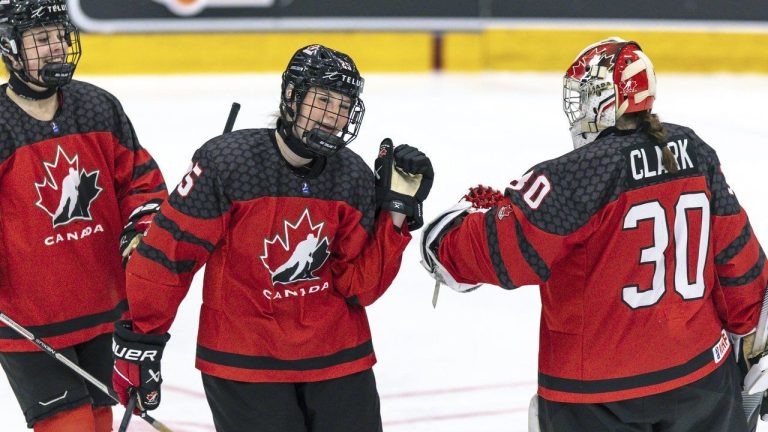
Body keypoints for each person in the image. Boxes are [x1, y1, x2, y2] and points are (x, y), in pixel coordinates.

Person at [420, 37, 768, 431]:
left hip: (596, 397)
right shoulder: (695, 151)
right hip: (702, 380)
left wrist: (445, 242)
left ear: (604, 99)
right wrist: (754, 342)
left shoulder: (578, 172)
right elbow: (737, 259)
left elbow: (509, 254)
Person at [111, 44, 433, 432]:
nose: (334, 116)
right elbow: (170, 253)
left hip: (338, 359)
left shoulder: (352, 175)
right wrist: (141, 338)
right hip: (244, 362)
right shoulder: (231, 164)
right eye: (324, 99)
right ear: (292, 98)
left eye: (344, 104)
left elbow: (358, 288)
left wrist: (395, 214)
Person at [0, 0, 168, 431]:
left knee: (99, 421)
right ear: (10, 48)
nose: (55, 47)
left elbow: (142, 184)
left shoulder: (97, 106)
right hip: (27, 321)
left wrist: (142, 230)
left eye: (58, 35)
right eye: (40, 40)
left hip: (103, 307)